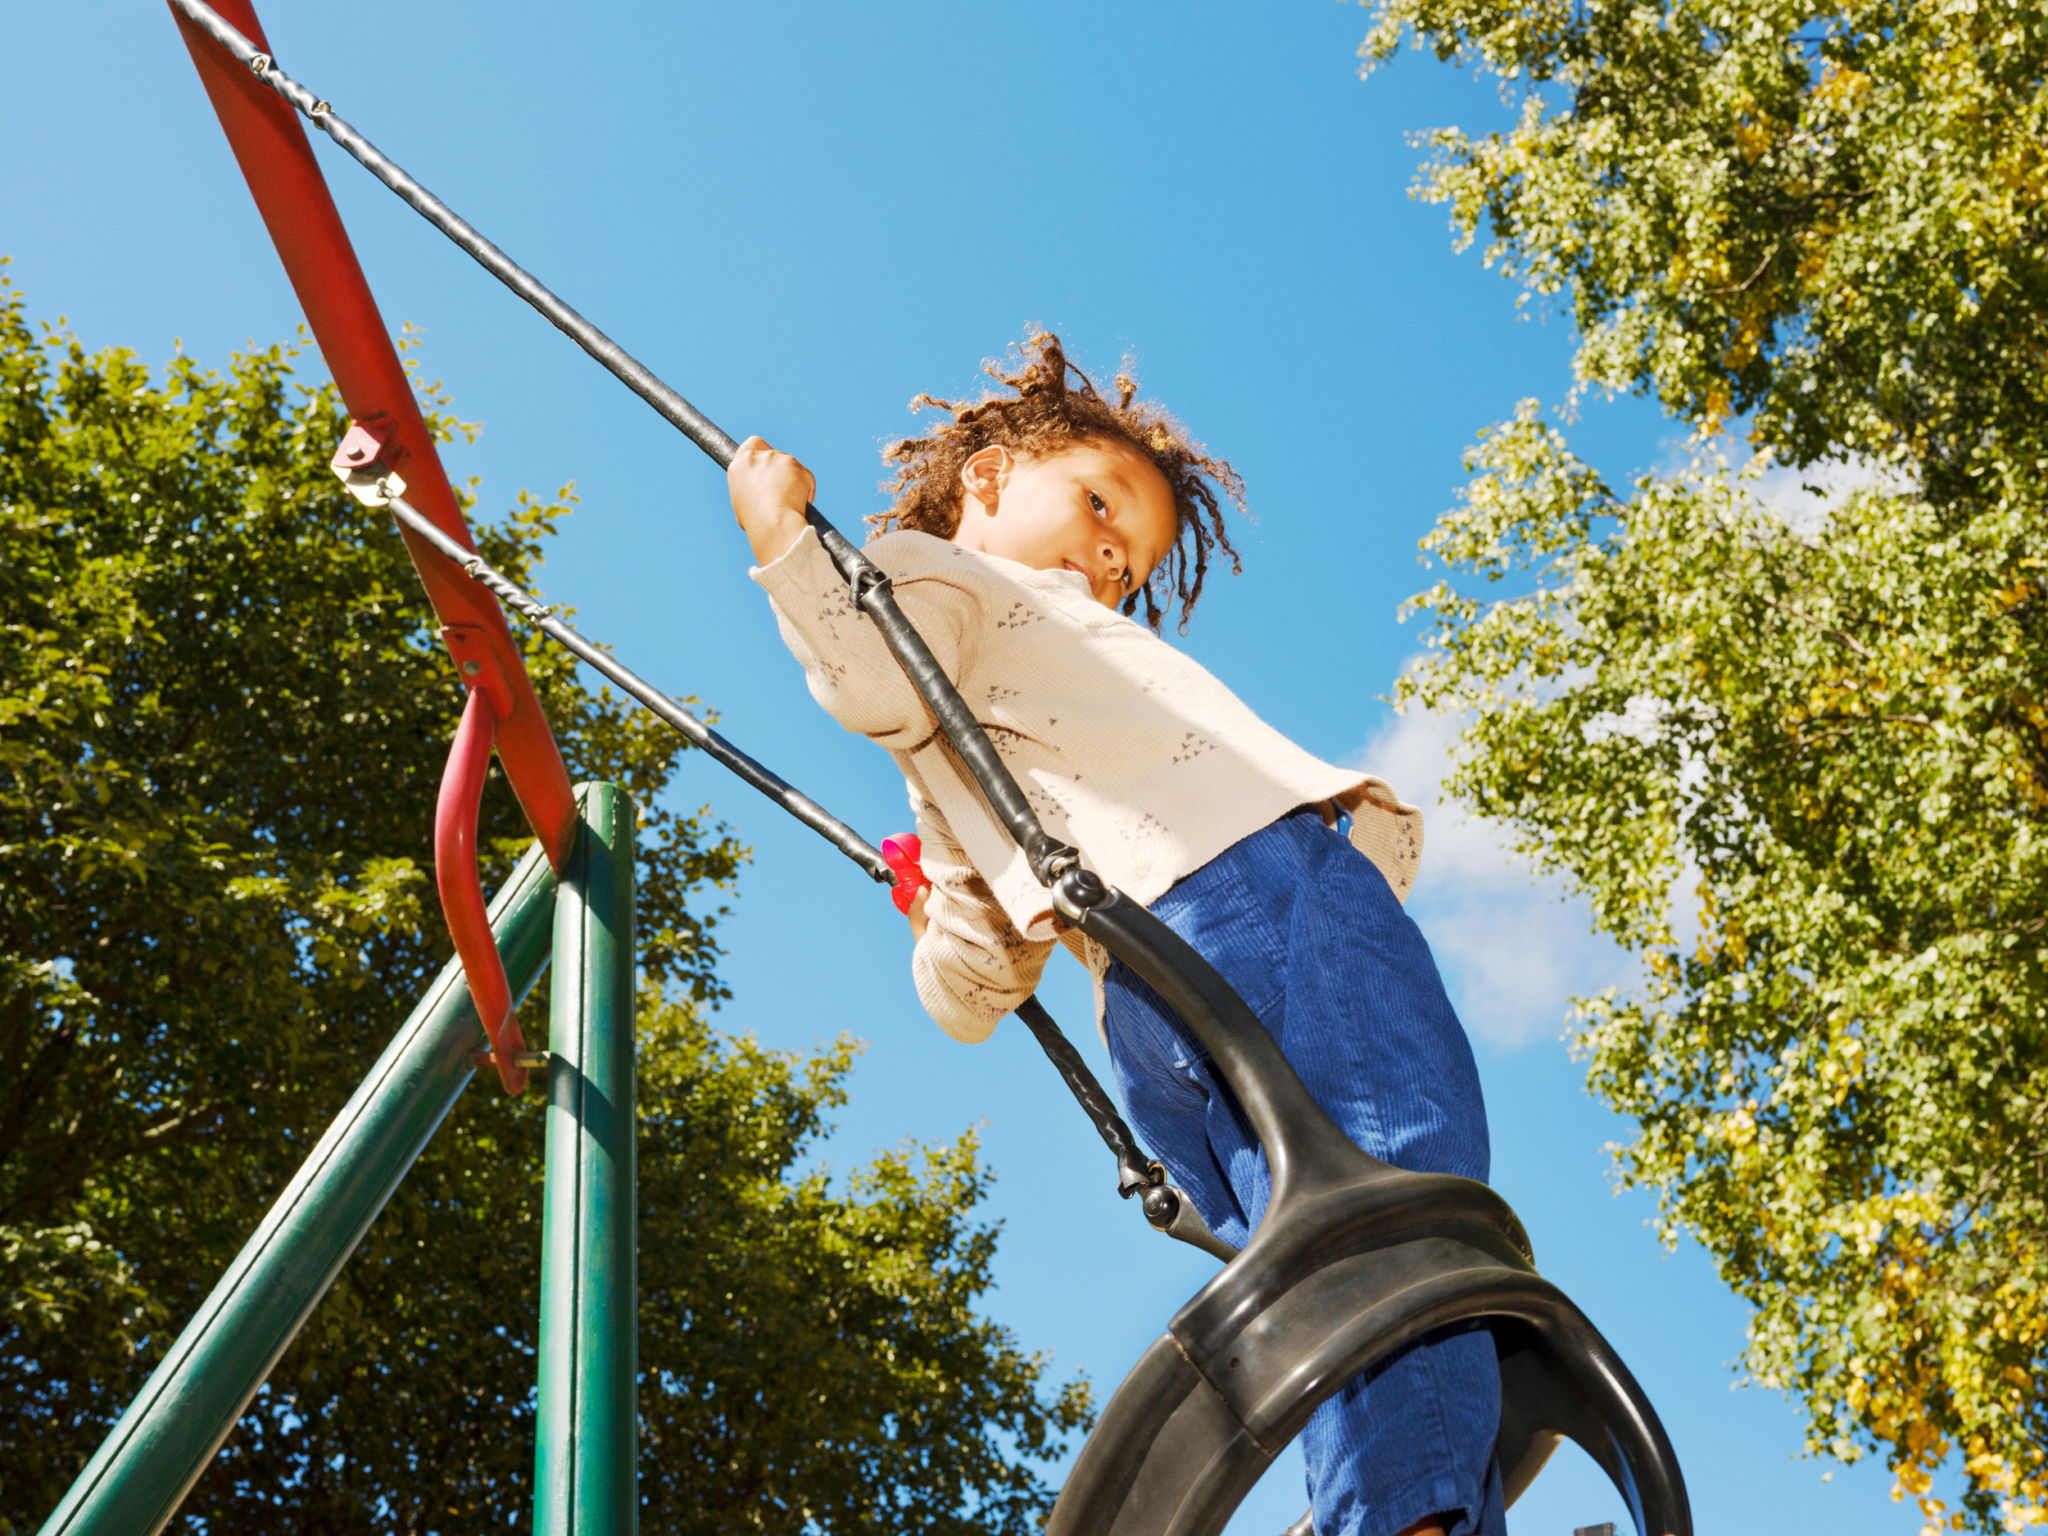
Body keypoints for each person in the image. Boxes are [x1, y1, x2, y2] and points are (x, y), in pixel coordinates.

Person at [728, 332, 1504, 1536]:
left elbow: (973, 986)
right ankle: (1413, 1507)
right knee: (1396, 1178)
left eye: (1126, 559)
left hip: (1148, 1007)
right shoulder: (936, 578)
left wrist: (940, 919)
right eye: (1097, 505)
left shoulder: (961, 729)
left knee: (1307, 1257)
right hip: (1256, 897)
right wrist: (786, 545)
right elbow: (869, 670)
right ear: (984, 474)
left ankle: (1377, 1499)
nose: (1105, 556)